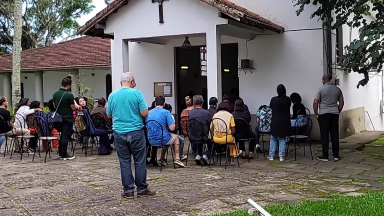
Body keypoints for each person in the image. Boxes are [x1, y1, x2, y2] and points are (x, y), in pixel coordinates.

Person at [107, 72, 155, 198]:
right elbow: (144, 113)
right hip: (135, 131)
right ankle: (141, 188)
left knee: (124, 162)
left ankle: (128, 190)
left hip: (118, 132)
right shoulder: (137, 93)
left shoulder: (112, 95)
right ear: (132, 81)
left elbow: (109, 115)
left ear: (120, 82)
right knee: (139, 161)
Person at [147, 96, 186, 168]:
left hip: (150, 139)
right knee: (176, 137)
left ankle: (162, 158)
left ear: (155, 103)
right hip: (162, 139)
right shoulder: (166, 112)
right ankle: (177, 158)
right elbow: (172, 128)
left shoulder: (149, 112)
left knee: (168, 137)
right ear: (164, 104)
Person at [314, 74, 344, 162]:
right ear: (331, 79)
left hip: (323, 114)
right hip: (334, 113)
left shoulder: (321, 89)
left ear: (323, 79)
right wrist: (338, 110)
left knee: (324, 134)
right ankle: (336, 155)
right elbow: (341, 102)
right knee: (334, 134)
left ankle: (325, 155)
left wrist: (316, 113)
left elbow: (316, 102)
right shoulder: (337, 89)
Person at [52, 77, 81, 160]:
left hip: (58, 118)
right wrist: (77, 107)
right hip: (67, 118)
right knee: (65, 136)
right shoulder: (69, 95)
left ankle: (61, 152)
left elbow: (55, 105)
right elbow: (73, 108)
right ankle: (64, 154)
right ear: (68, 85)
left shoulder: (55, 94)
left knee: (62, 136)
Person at [268, 84, 291, 162]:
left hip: (275, 121)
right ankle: (281, 156)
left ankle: (271, 155)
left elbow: (270, 107)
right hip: (285, 121)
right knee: (283, 138)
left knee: (273, 138)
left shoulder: (273, 99)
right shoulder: (288, 99)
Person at [188, 95, 212, 165]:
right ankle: (206, 155)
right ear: (203, 102)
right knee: (213, 142)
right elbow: (210, 125)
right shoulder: (206, 113)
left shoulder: (190, 113)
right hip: (204, 137)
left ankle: (198, 155)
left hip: (193, 136)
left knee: (199, 137)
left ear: (194, 103)